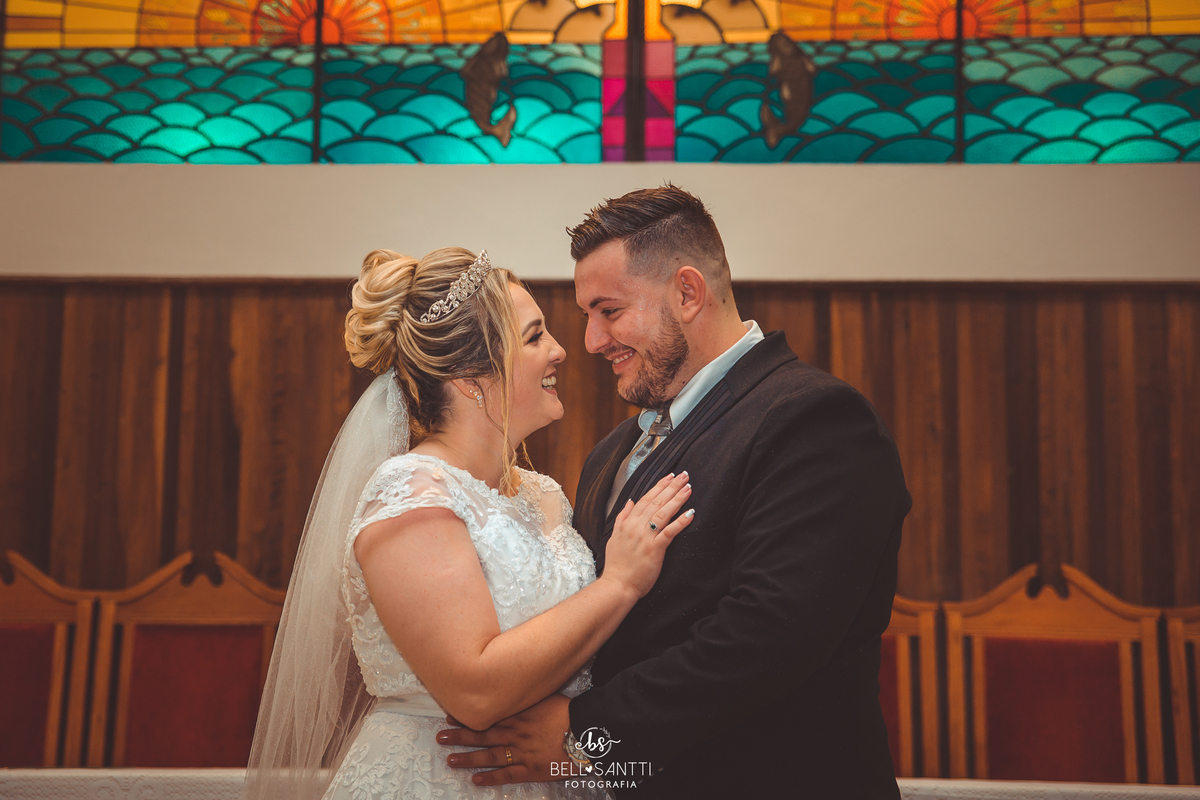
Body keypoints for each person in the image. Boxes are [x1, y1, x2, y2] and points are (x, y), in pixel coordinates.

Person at [439, 186, 912, 798]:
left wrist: (586, 736)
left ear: (688, 293)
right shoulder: (610, 453)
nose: (591, 341)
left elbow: (772, 634)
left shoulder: (813, 419)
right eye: (587, 316)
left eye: (609, 311)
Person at [240, 246, 694, 800]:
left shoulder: (544, 496)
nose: (560, 350)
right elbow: (475, 693)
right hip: (442, 777)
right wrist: (620, 584)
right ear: (469, 377)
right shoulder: (412, 494)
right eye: (534, 337)